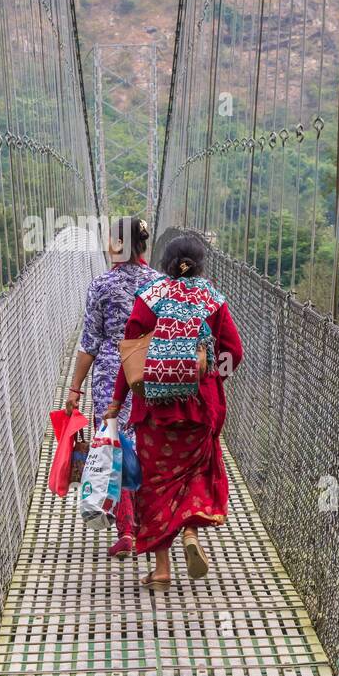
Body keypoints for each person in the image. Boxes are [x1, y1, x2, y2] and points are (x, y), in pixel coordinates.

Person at [104, 231, 243, 588]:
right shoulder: (212, 299)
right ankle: (191, 535)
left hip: (155, 411)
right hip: (199, 410)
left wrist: (117, 402)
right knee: (194, 473)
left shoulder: (149, 297)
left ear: (164, 264)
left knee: (156, 484)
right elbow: (233, 351)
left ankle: (162, 570)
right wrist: (212, 378)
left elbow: (131, 355)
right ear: (200, 265)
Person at [65, 217, 159, 557]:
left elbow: (90, 343)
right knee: (147, 445)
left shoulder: (101, 285)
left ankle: (126, 531)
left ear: (118, 245)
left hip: (109, 379)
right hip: (150, 376)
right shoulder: (160, 284)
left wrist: (74, 389)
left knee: (114, 449)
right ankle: (150, 526)